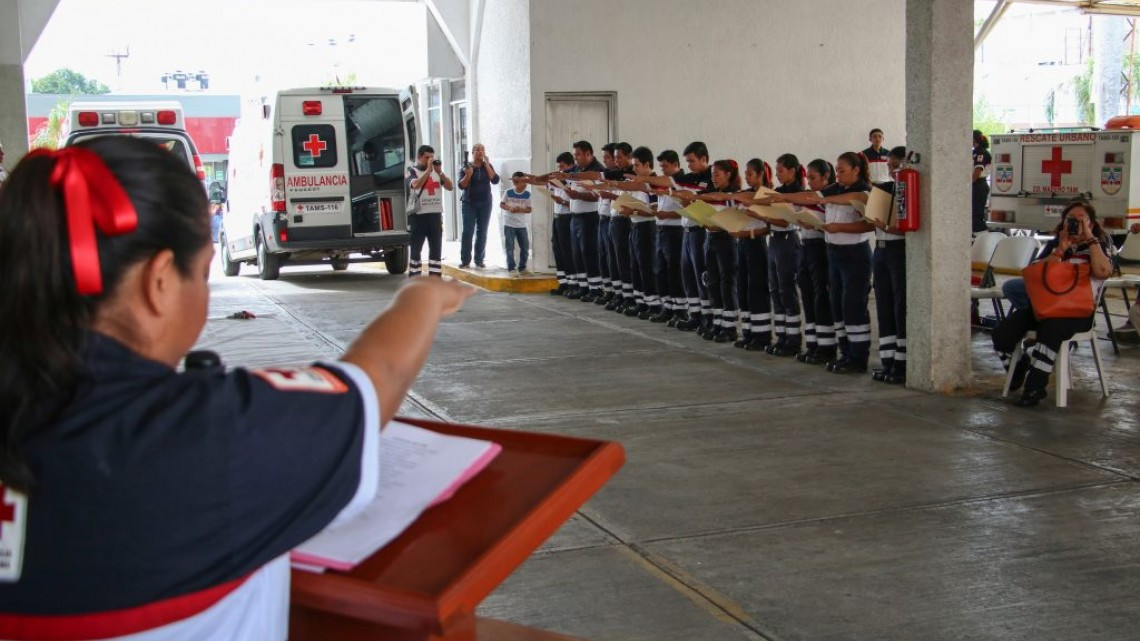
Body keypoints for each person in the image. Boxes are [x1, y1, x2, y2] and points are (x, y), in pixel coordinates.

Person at [0, 137, 475, 637]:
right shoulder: (205, 434)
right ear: (159, 280)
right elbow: (377, 377)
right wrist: (420, 298)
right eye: (202, 273)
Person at [992, 200, 1113, 407]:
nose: (1075, 224)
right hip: (1047, 307)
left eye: (1081, 220)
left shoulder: (1099, 244)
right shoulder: (1057, 243)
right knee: (1003, 331)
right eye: (1070, 220)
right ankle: (1020, 367)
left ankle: (1035, 388)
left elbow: (1103, 271)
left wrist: (1090, 239)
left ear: (1091, 223)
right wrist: (1060, 251)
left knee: (1050, 330)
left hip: (1078, 312)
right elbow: (1036, 275)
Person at [870, 146, 909, 384]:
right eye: (890, 166)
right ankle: (887, 360)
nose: (892, 170)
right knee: (883, 304)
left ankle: (902, 362)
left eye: (897, 165)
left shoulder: (909, 189)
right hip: (881, 248)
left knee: (899, 304)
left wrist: (892, 227)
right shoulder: (885, 188)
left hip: (899, 249)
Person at [407, 145, 454, 277]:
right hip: (419, 216)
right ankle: (415, 279)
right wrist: (428, 171)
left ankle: (434, 279)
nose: (429, 160)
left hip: (435, 215)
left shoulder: (437, 172)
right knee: (416, 250)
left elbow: (450, 187)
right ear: (419, 157)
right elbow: (415, 184)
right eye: (427, 157)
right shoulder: (412, 171)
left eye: (431, 158)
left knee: (436, 250)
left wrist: (440, 173)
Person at [457, 143, 500, 269]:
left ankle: (479, 259)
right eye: (477, 150)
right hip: (469, 203)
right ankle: (465, 260)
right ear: (472, 152)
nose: (480, 152)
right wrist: (468, 174)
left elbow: (495, 180)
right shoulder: (467, 166)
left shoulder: (487, 166)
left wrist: (487, 164)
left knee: (482, 231)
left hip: (485, 203)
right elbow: (461, 186)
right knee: (468, 231)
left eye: (482, 150)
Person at [500, 172, 532, 275]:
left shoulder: (527, 194)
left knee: (525, 247)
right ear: (516, 182)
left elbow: (529, 209)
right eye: (523, 182)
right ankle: (511, 269)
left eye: (525, 182)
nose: (525, 184)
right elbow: (502, 204)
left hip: (521, 225)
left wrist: (520, 209)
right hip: (509, 224)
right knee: (510, 247)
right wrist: (510, 208)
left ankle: (522, 268)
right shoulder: (508, 192)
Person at [972, 130, 992, 235]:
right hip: (976, 184)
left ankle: (982, 236)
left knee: (977, 213)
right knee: (973, 212)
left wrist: (967, 184)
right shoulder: (975, 151)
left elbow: (977, 171)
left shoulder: (981, 152)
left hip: (979, 185)